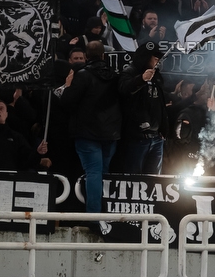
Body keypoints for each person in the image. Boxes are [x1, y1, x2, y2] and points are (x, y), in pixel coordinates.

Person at [57, 41, 121, 214]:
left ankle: (94, 216)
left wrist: (67, 87)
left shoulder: (83, 75)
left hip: (87, 133)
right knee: (103, 174)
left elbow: (67, 102)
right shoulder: (115, 75)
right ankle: (107, 214)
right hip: (111, 133)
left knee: (93, 173)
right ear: (103, 56)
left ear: (86, 56)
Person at [118, 42, 169, 174]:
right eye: (154, 57)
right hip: (137, 137)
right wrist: (141, 79)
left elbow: (160, 104)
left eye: (159, 57)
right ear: (145, 57)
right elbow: (124, 90)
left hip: (156, 138)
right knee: (133, 179)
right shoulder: (129, 72)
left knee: (154, 180)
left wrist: (164, 128)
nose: (158, 60)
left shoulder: (157, 76)